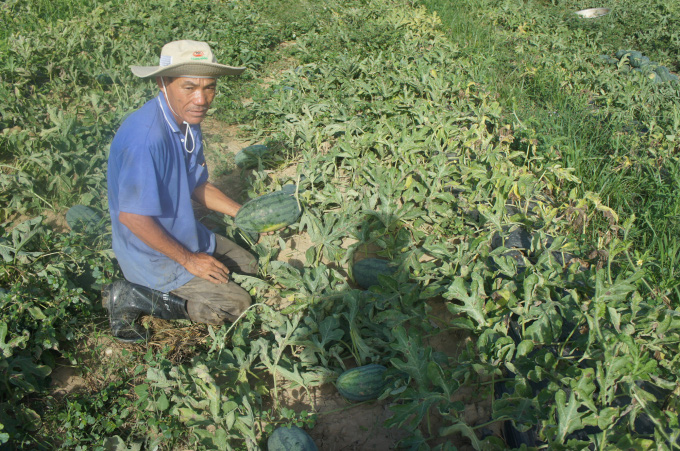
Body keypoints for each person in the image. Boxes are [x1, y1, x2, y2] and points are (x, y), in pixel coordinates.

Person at [105, 40, 258, 342]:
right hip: (152, 254)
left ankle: (192, 262)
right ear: (164, 83)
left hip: (186, 234)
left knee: (251, 267)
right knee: (237, 306)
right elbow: (133, 218)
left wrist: (245, 215)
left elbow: (196, 184)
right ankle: (134, 294)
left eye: (209, 87)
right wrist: (190, 260)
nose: (202, 99)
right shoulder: (146, 140)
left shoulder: (187, 120)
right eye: (189, 88)